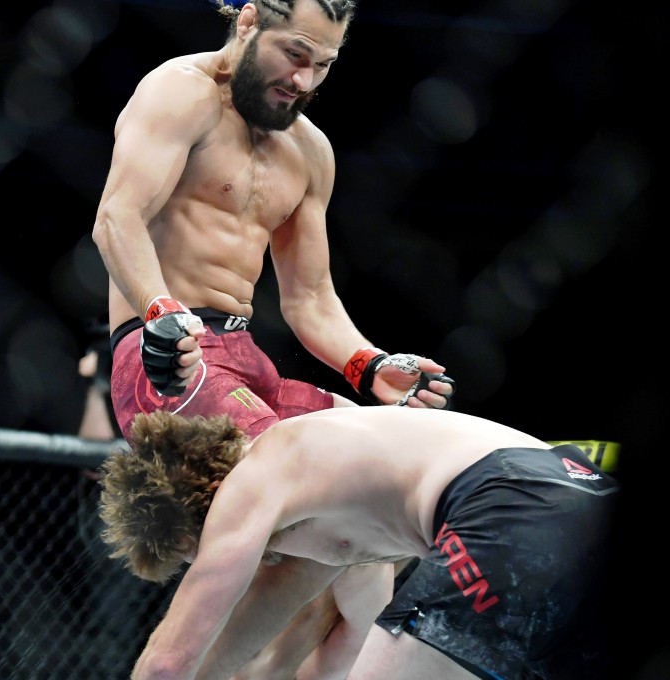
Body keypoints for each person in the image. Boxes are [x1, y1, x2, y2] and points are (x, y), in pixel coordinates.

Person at [90, 0, 456, 448]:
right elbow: (118, 217)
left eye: (323, 64)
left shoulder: (310, 151)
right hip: (170, 361)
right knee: (289, 463)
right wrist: (159, 311)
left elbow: (310, 297)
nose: (303, 80)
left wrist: (369, 363)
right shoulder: (181, 93)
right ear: (248, 23)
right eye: (295, 54)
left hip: (246, 360)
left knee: (380, 449)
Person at [98, 407, 619, 680]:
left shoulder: (256, 476)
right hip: (584, 496)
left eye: (195, 553)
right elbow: (245, 632)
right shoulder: (322, 499)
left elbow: (169, 664)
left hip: (505, 504)